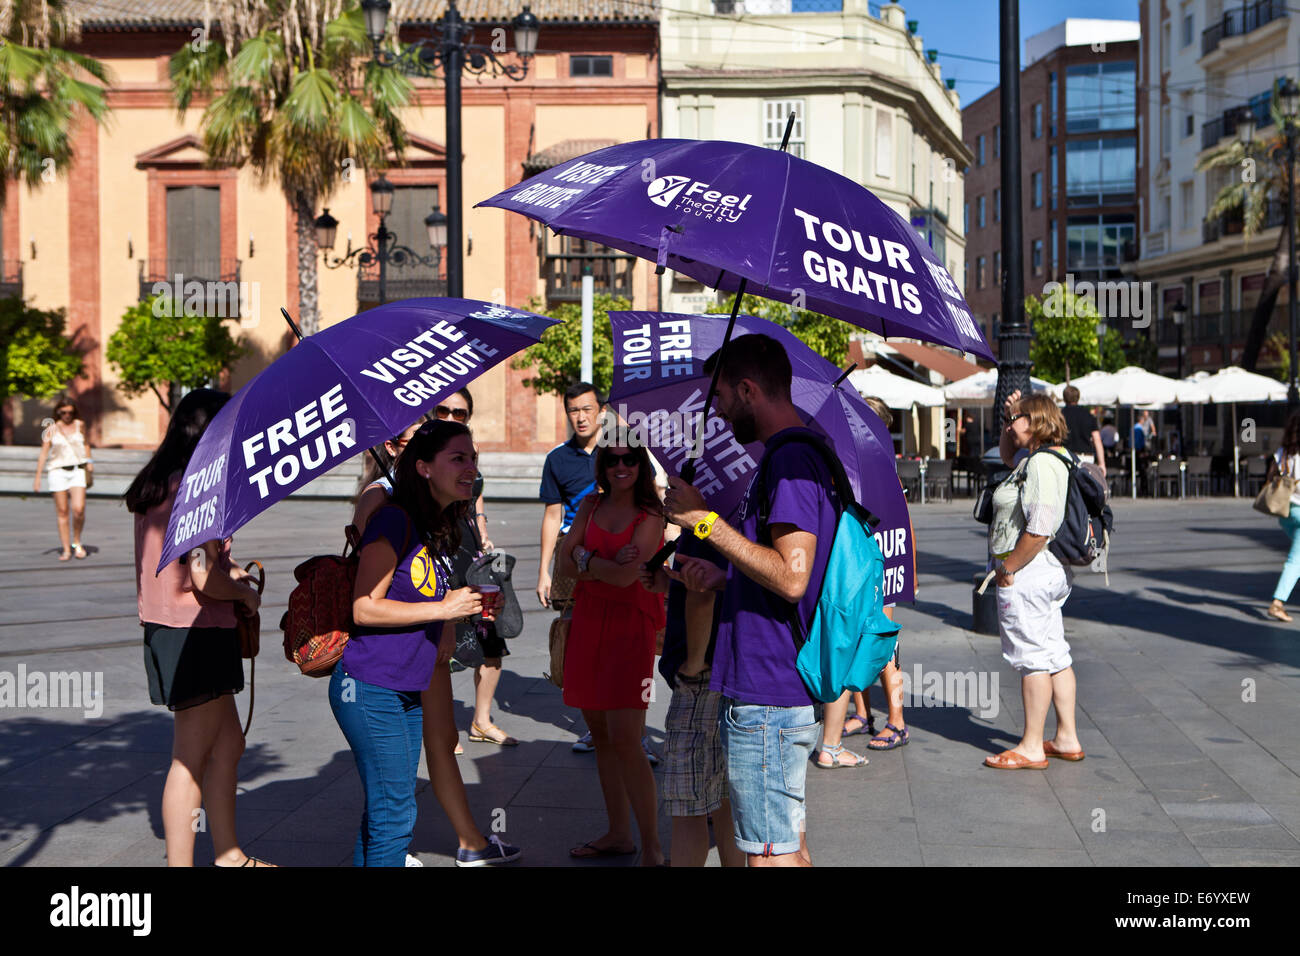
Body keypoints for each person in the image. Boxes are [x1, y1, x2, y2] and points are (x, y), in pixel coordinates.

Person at [662, 333, 839, 867]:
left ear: (746, 390)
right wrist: (725, 580)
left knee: (768, 855)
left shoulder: (789, 462)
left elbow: (791, 579)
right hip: (775, 687)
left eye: (719, 399)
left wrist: (704, 521)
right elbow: (780, 573)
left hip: (769, 690)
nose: (716, 412)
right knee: (789, 845)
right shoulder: (795, 454)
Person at [332, 419, 520, 866]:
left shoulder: (434, 525)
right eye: (458, 458)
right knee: (395, 817)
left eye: (472, 458)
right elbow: (364, 608)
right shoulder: (393, 521)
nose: (470, 467)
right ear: (423, 467)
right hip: (370, 687)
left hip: (402, 684)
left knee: (383, 813)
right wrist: (443, 610)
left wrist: (458, 614)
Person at [127, 388, 271, 867]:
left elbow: (193, 563)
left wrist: (229, 573)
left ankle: (229, 854)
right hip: (195, 633)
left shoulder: (162, 483)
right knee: (189, 760)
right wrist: (245, 594)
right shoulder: (195, 490)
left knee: (228, 741)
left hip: (172, 628)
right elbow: (202, 576)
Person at [559, 441, 666, 865]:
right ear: (601, 465)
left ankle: (653, 846)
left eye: (630, 459)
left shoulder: (652, 514)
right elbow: (563, 563)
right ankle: (619, 833)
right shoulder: (590, 504)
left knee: (628, 739)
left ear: (641, 465)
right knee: (601, 735)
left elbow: (625, 580)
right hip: (588, 623)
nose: (621, 466)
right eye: (613, 459)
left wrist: (585, 557)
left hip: (631, 629)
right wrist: (594, 559)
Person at [983, 390, 1083, 770]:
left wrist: (1008, 568)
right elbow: (1008, 457)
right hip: (1048, 571)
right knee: (1055, 653)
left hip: (1030, 568)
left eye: (1017, 419)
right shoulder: (1050, 458)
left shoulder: (1041, 464)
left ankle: (1030, 746)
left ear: (1037, 421)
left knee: (1032, 659)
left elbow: (1039, 529)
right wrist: (1011, 417)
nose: (1010, 425)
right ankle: (1066, 737)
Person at [640, 522, 745, 867]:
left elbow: (702, 594)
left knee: (688, 806)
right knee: (726, 800)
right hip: (740, 672)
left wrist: (692, 664)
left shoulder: (704, 524)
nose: (669, 493)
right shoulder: (740, 513)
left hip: (703, 678)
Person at [434, 389, 516, 747]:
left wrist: (483, 531)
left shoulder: (469, 451)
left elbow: (476, 496)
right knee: (443, 642)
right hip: (437, 549)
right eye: (443, 410)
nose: (451, 418)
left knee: (489, 635)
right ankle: (442, 726)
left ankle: (481, 721)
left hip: (469, 545)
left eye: (460, 413)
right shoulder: (422, 457)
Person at [840, 395, 909, 754]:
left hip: (882, 559)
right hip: (863, 559)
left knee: (882, 640)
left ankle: (896, 719)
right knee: (856, 637)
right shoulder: (860, 458)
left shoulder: (879, 462)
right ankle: (863, 713)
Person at [537, 382, 601, 753]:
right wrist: (544, 570)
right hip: (570, 555)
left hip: (613, 554)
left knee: (623, 643)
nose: (580, 416)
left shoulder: (620, 454)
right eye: (574, 410)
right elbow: (551, 515)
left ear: (601, 411)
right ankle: (592, 724)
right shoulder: (557, 458)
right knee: (577, 641)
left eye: (587, 409)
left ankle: (634, 731)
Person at [33, 398, 93, 561]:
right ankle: (66, 548)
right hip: (57, 471)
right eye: (63, 412)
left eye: (70, 412)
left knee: (79, 509)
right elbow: (44, 453)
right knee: (62, 511)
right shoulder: (51, 428)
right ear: (58, 412)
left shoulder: (80, 425)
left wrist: (90, 461)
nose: (67, 415)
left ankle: (77, 542)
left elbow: (86, 444)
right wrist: (38, 477)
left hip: (77, 470)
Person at [1266, 413, 1300, 623]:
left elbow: (1271, 478)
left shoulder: (1282, 453)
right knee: (1295, 560)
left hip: (1284, 511)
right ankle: (1277, 603)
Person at [1061, 385, 1106, 477]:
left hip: (1066, 456)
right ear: (1078, 398)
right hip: (1086, 458)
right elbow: (1097, 439)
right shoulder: (1088, 415)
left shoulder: (1060, 416)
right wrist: (1102, 463)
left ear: (1064, 398)